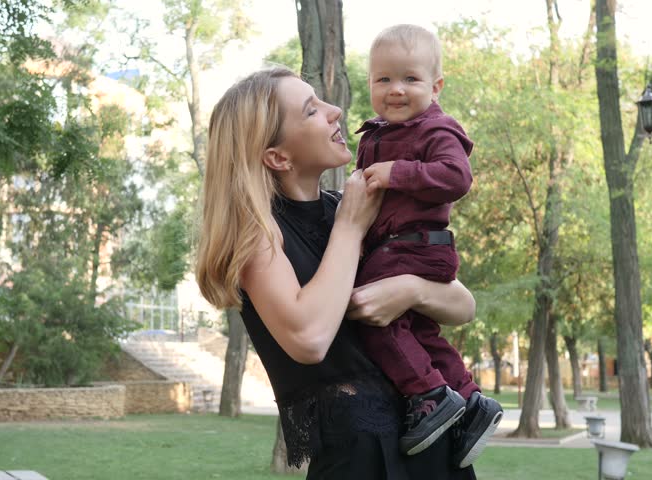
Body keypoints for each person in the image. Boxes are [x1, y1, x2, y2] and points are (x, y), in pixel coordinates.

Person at [195, 67, 479, 479]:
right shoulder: (257, 234)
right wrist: (349, 227)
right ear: (277, 156)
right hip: (363, 462)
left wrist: (409, 290)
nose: (336, 112)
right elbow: (308, 339)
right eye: (312, 111)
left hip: (436, 445)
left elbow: (462, 305)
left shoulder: (353, 207)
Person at [353, 24, 503, 464]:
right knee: (418, 331)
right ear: (370, 83)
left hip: (416, 248)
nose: (395, 90)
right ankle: (471, 399)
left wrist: (398, 171)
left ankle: (429, 395)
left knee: (373, 319)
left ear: (436, 86)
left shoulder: (436, 130)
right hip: (394, 248)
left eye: (410, 79)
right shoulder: (375, 134)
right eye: (383, 79)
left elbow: (457, 178)